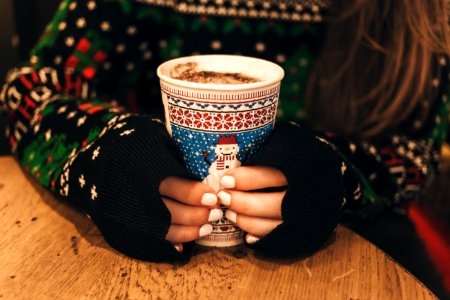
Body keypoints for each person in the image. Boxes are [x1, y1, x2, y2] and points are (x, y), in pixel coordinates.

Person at [0, 0, 448, 262]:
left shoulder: (409, 15)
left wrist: (338, 177)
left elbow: (414, 155)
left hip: (357, 251)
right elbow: (30, 89)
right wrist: (105, 152)